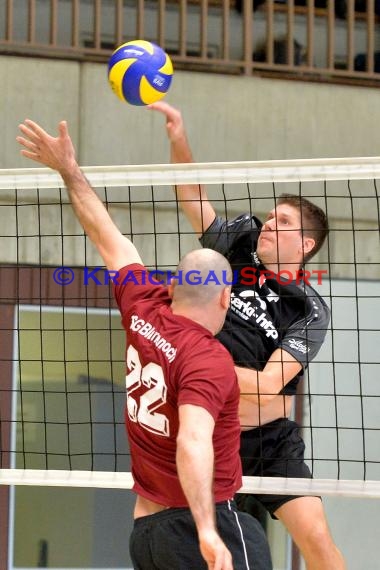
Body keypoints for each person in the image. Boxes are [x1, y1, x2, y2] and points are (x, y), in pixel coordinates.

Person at [16, 119, 273, 570]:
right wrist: (208, 531)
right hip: (200, 523)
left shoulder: (144, 307)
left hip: (146, 534)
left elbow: (104, 235)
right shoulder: (208, 358)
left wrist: (69, 169)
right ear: (225, 298)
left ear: (174, 285)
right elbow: (193, 441)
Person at [150, 101, 346, 570]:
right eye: (270, 217)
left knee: (316, 539)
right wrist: (178, 136)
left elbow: (266, 383)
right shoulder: (239, 243)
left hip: (268, 441)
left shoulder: (307, 307)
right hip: (212, 432)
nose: (270, 226)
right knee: (200, 547)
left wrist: (195, 366)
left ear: (306, 246)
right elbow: (193, 199)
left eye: (283, 224)